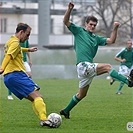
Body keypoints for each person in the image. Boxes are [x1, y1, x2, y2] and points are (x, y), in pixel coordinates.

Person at [60, 2, 133, 119]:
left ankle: (66, 110)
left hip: (87, 69)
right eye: (91, 24)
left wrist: (115, 28)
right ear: (86, 24)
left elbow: (111, 41)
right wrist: (69, 10)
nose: (92, 26)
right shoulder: (79, 31)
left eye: (94, 25)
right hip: (83, 65)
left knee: (81, 94)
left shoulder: (96, 38)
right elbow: (66, 22)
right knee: (108, 67)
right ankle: (128, 81)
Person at [0, 23, 55, 128]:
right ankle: (44, 119)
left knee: (34, 98)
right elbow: (9, 56)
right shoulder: (15, 43)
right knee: (38, 97)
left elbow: (16, 50)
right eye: (27, 34)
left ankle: (43, 119)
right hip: (16, 75)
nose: (28, 37)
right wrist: (2, 67)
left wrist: (28, 50)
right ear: (21, 32)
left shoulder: (10, 41)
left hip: (8, 78)